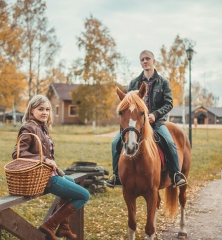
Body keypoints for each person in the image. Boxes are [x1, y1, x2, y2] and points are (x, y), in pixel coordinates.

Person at [12, 94, 90, 240]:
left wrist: (48, 161)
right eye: (40, 109)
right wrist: (44, 160)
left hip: (49, 174)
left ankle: (64, 228)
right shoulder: (29, 127)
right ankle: (50, 225)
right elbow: (18, 153)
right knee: (84, 195)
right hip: (43, 178)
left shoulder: (42, 127)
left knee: (71, 183)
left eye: (47, 109)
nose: (45, 112)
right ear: (31, 111)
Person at [105, 50, 187, 189]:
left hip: (157, 122)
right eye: (142, 59)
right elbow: (127, 103)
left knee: (169, 142)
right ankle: (117, 177)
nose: (145, 61)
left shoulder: (163, 82)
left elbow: (169, 103)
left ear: (154, 61)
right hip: (136, 124)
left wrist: (155, 114)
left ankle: (175, 174)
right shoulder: (134, 83)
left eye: (147, 59)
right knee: (114, 143)